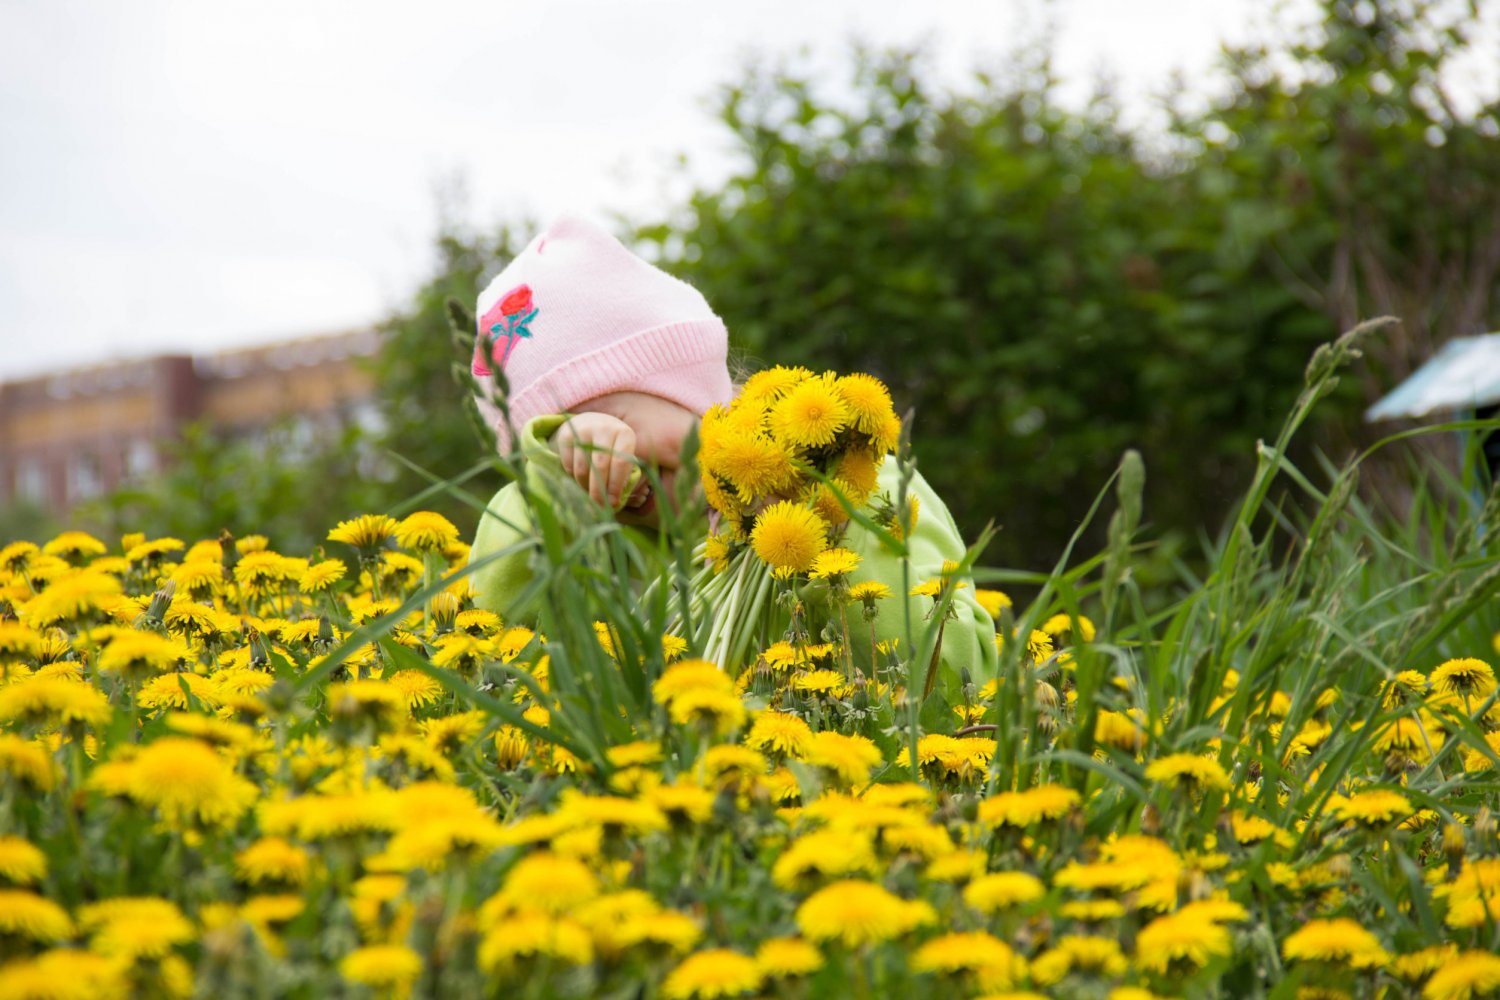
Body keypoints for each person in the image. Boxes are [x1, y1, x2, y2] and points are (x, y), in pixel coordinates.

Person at [465, 214, 996, 686]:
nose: (611, 461)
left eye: (612, 422)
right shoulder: (595, 543)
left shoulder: (870, 481)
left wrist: (830, 522)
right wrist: (553, 482)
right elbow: (485, 656)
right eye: (567, 443)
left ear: (680, 386)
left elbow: (953, 678)